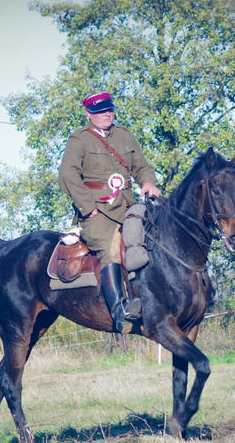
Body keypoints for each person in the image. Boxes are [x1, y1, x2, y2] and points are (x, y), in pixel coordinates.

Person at [58, 91, 161, 334]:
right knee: (110, 247)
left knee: (158, 236)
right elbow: (67, 175)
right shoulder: (79, 139)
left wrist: (148, 181)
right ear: (88, 114)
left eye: (109, 109)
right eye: (100, 111)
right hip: (98, 212)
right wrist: (88, 207)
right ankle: (120, 312)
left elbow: (142, 166)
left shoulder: (124, 135)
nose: (107, 114)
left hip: (129, 206)